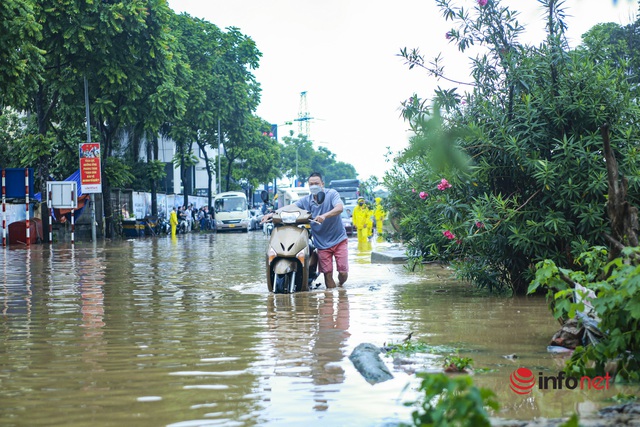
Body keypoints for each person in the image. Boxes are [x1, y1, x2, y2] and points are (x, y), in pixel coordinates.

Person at [262, 172, 348, 289]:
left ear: (322, 184)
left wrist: (324, 216)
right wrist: (272, 214)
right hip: (322, 244)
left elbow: (339, 208)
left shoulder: (332, 194)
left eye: (316, 183)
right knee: (327, 274)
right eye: (311, 184)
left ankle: (341, 286)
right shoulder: (306, 200)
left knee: (342, 272)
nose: (314, 186)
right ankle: (330, 301)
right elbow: (290, 207)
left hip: (338, 240)